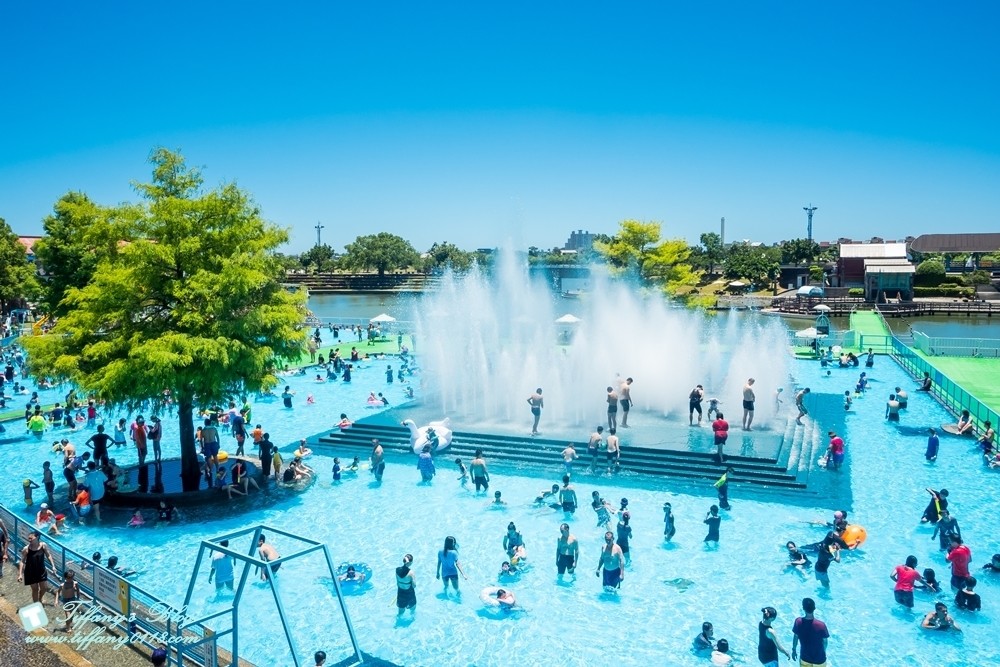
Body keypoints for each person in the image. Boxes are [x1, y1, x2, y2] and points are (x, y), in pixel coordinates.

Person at [18, 531, 54, 604]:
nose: (29, 540)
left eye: (31, 538)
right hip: (30, 572)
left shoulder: (43, 545)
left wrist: (53, 566)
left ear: (37, 537)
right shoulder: (26, 549)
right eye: (29, 538)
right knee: (35, 589)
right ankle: (36, 604)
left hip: (41, 571)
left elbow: (48, 555)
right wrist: (20, 574)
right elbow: (22, 561)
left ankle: (40, 598)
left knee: (44, 588)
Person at [791, 597, 829, 666]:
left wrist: (794, 650)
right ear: (814, 608)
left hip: (805, 658)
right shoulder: (821, 625)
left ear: (803, 608)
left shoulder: (798, 622)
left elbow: (795, 638)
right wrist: (823, 651)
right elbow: (825, 642)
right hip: (820, 659)